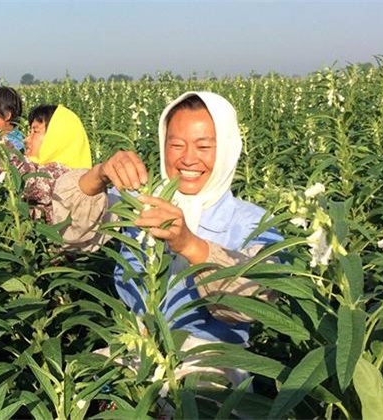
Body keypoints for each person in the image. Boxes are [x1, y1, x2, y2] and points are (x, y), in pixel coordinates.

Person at [51, 92, 282, 385]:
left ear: (226, 150)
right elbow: (67, 232)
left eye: (204, 146)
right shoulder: (142, 203)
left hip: (209, 362)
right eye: (176, 144)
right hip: (136, 349)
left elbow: (254, 301)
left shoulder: (254, 223)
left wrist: (188, 244)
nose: (187, 158)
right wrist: (100, 174)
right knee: (75, 383)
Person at [0, 104, 92, 223]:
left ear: (56, 137)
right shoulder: (41, 166)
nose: (26, 139)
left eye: (35, 131)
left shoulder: (64, 175)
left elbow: (22, 178)